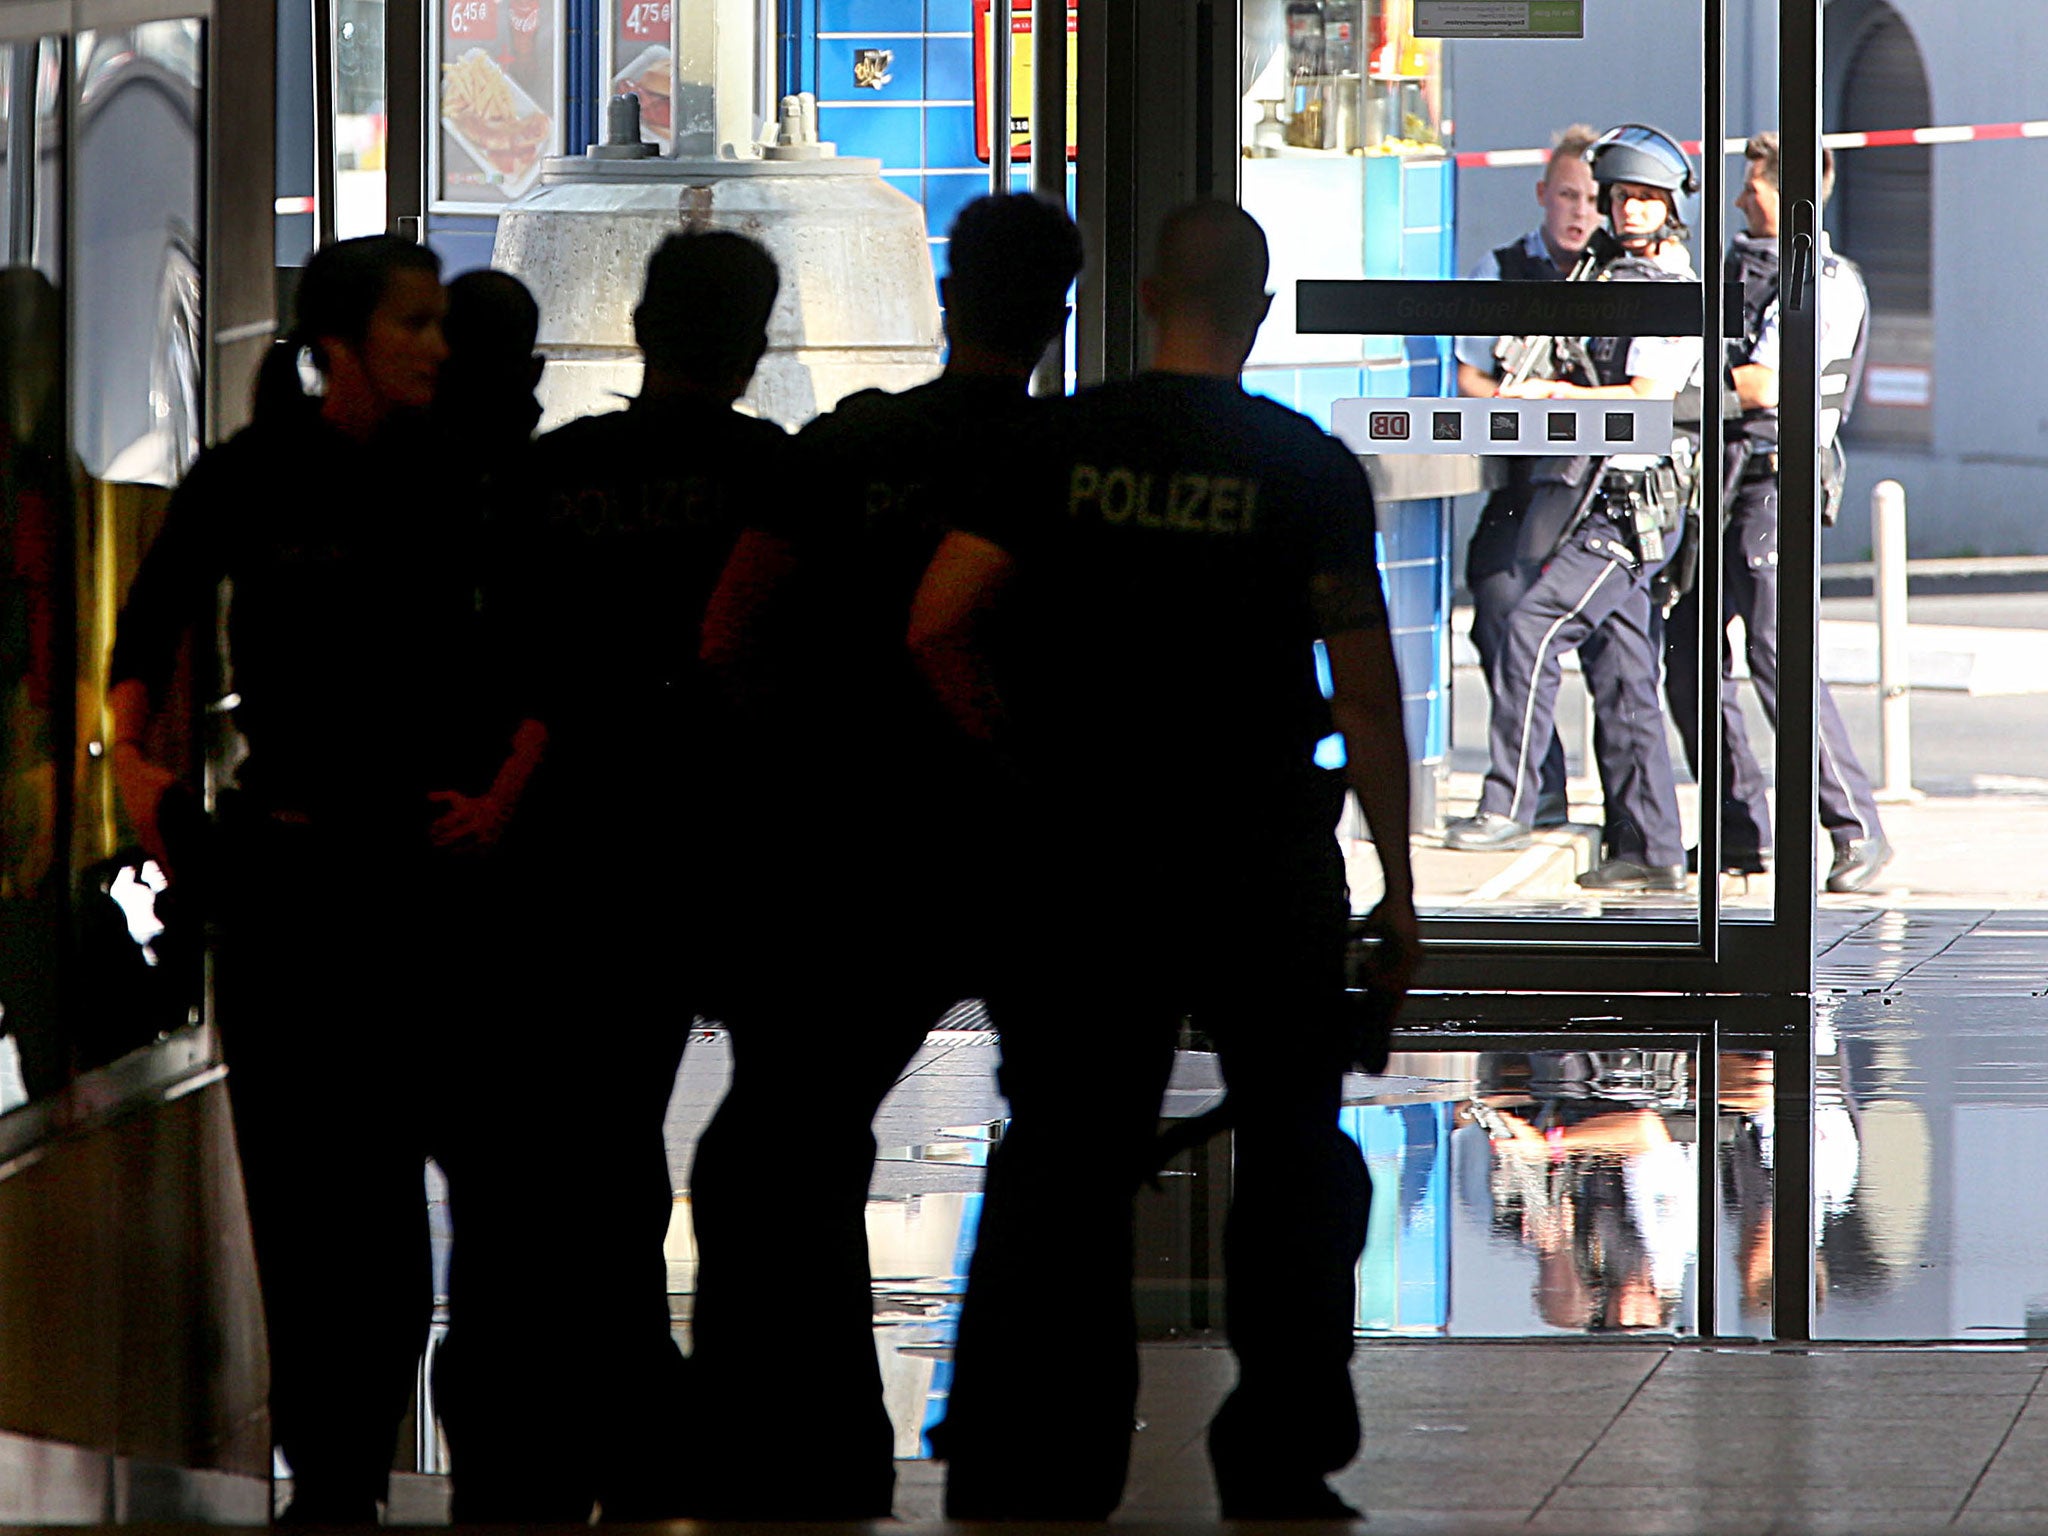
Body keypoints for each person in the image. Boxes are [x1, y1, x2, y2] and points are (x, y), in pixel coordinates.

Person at [908, 200, 1421, 1520]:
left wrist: (1013, 756)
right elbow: (1363, 694)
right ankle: (1283, 1453)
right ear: (1257, 311)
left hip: (1083, 856)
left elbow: (937, 623)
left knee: (1066, 1151)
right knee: (1299, 1151)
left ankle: (1030, 1450)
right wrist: (1399, 892)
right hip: (1260, 855)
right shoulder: (1305, 468)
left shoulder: (1057, 446)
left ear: (1143, 296)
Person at [106, 234, 547, 1523]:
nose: (435, 342)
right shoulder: (252, 475)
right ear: (335, 342)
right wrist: (144, 782)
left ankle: (467, 1468)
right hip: (293, 883)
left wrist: (504, 797)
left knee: (448, 1208)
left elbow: (542, 662)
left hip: (434, 883)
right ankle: (335, 1480)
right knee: (315, 1212)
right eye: (410, 323)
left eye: (437, 323)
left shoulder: (469, 474)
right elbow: (149, 630)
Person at [686, 193, 1083, 1521]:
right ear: (1061, 312)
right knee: (1062, 1143)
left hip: (857, 853)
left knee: (789, 1144)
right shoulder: (1071, 461)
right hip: (1025, 849)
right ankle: (1013, 1443)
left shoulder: (850, 449)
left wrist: (795, 770)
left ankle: (817, 1446)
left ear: (944, 295)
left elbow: (729, 636)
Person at [486, 229, 790, 1519]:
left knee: (595, 1125)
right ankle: (729, 1381)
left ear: (641, 327)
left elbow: (505, 658)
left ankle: (605, 1376)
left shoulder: (555, 476)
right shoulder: (777, 478)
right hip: (733, 839)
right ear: (749, 346)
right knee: (775, 1126)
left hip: (577, 841)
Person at [1444, 125, 1702, 892]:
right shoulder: (1613, 278)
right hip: (1603, 500)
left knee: (1532, 626)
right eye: (1619, 198)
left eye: (1644, 200)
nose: (1626, 212)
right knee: (1624, 675)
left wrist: (1562, 396)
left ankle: (1511, 802)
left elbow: (1647, 399)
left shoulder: (1668, 291)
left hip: (1628, 512)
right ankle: (1653, 849)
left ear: (1671, 209)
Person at [1664, 133, 1891, 892]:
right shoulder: (1745, 269)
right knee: (1691, 649)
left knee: (1774, 650)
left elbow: (1762, 385)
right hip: (1723, 477)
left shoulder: (1822, 282)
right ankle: (1737, 831)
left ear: (1795, 196)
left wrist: (1677, 389)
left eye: (1753, 190)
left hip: (1775, 479)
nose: (1738, 201)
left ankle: (1856, 827)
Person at [1453, 124, 1604, 830]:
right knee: (1496, 599)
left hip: (1597, 499)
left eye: (1594, 200)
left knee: (1619, 652)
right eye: (1568, 196)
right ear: (1543, 195)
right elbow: (1470, 379)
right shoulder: (1503, 268)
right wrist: (1517, 402)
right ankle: (1539, 785)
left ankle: (1646, 829)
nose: (1581, 213)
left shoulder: (1618, 278)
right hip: (1521, 487)